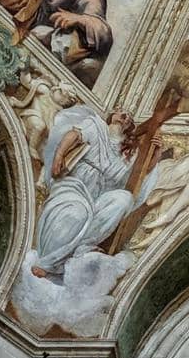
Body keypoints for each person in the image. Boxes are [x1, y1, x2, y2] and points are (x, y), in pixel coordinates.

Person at [33, 106, 157, 280]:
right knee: (78, 212)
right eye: (122, 114)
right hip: (74, 183)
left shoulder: (125, 153)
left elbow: (135, 175)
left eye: (129, 119)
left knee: (124, 199)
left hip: (97, 195)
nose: (125, 118)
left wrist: (155, 156)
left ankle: (82, 246)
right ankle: (48, 262)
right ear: (112, 115)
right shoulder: (96, 125)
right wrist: (59, 156)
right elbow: (73, 135)